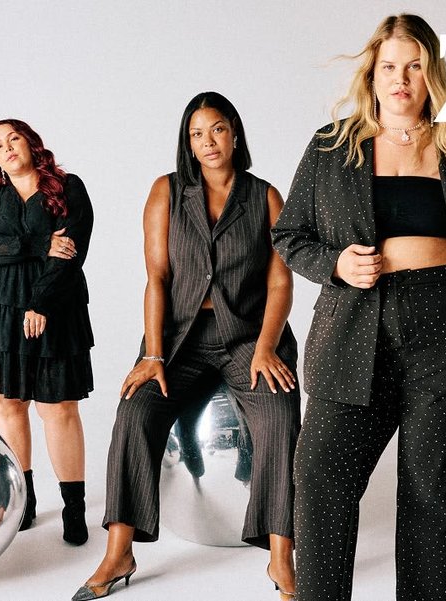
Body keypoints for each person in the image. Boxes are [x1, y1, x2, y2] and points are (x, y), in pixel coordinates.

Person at [271, 14, 446, 600]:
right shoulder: (331, 145)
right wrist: (335, 264)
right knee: (320, 480)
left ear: (433, 74)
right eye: (389, 67)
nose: (401, 79)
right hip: (355, 327)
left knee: (433, 497)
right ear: (372, 75)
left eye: (415, 66)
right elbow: (289, 234)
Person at [76, 92, 300, 600]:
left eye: (216, 129)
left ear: (234, 132)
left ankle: (281, 556)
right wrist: (153, 354)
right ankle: (119, 552)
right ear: (188, 143)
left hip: (249, 337)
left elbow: (280, 282)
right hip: (179, 339)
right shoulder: (168, 191)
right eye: (197, 134)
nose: (208, 142)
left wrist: (267, 347)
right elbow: (156, 276)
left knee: (281, 413)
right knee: (134, 412)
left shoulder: (265, 196)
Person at [0, 119, 94, 545]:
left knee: (59, 408)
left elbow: (72, 250)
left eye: (13, 138)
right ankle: (25, 501)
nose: (7, 147)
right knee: (8, 405)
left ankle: (74, 509)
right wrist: (38, 244)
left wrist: (41, 303)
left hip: (55, 304)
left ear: (31, 143)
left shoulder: (68, 188)